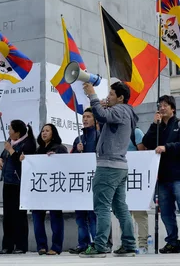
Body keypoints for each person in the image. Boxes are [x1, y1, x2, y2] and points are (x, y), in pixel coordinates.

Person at [80, 81, 138, 258]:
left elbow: (101, 115)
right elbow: (104, 116)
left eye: (111, 94)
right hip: (119, 166)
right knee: (120, 207)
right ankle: (128, 245)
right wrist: (104, 106)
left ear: (120, 98)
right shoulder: (126, 112)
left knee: (102, 207)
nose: (108, 97)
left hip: (108, 166)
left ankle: (100, 246)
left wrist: (92, 95)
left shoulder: (120, 110)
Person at [142, 94, 180, 254]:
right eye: (160, 105)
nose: (162, 107)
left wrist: (167, 147)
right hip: (162, 178)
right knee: (166, 213)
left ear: (172, 108)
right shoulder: (158, 127)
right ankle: (172, 242)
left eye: (165, 105)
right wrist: (154, 125)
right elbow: (147, 143)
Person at [26, 123, 68, 255]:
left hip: (54, 189)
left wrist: (56, 157)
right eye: (43, 131)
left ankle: (56, 247)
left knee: (55, 218)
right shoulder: (38, 150)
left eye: (47, 131)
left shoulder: (60, 148)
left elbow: (67, 165)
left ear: (53, 133)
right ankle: (41, 246)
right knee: (37, 218)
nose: (44, 133)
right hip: (39, 189)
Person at [0, 120, 36, 254]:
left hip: (20, 183)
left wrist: (11, 150)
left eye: (10, 129)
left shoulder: (28, 144)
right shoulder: (11, 141)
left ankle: (21, 245)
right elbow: (4, 154)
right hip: (8, 182)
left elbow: (23, 162)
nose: (8, 132)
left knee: (19, 215)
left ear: (18, 132)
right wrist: (0, 158)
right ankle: (7, 245)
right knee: (7, 215)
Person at [69, 108, 99, 254]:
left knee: (93, 215)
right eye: (84, 117)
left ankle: (96, 242)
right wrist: (76, 150)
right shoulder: (78, 139)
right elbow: (72, 160)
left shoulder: (99, 136)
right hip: (80, 183)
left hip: (94, 182)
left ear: (94, 120)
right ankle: (83, 243)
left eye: (88, 117)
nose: (85, 119)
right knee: (80, 217)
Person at [127, 125, 149, 255]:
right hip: (121, 179)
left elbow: (142, 155)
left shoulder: (136, 132)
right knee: (124, 215)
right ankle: (128, 243)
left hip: (136, 179)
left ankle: (143, 244)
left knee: (140, 215)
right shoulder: (116, 133)